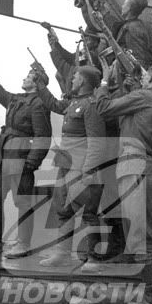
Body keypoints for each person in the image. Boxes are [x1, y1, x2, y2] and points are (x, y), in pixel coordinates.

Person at [96, 60, 152, 304]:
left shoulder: (144, 97)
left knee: (143, 242)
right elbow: (131, 122)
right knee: (146, 239)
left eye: (145, 76)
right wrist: (127, 90)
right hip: (147, 167)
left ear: (150, 78)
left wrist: (105, 81)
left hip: (135, 167)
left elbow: (104, 109)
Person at [0, 53, 51, 258]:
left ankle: (23, 244)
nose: (24, 78)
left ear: (37, 82)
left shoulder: (39, 103)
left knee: (23, 202)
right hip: (1, 156)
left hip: (21, 157)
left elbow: (43, 136)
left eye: (29, 76)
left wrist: (32, 162)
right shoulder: (15, 99)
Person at [36, 66, 106, 268]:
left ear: (82, 81)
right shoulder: (73, 102)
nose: (72, 80)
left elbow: (96, 142)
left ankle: (94, 258)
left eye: (74, 77)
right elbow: (53, 103)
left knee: (88, 212)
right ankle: (62, 254)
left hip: (81, 167)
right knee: (63, 210)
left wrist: (89, 170)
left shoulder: (91, 106)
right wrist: (40, 84)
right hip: (65, 165)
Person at [41, 22, 101, 95]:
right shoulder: (79, 55)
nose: (85, 42)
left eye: (88, 39)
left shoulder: (97, 53)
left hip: (91, 91)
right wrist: (51, 32)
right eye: (84, 39)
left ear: (95, 42)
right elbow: (66, 56)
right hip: (78, 93)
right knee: (58, 73)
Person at [116, 0, 152, 69]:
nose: (122, 6)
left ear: (129, 8)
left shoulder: (132, 28)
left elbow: (138, 60)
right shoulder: (133, 24)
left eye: (124, 4)